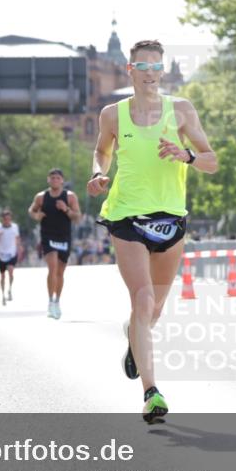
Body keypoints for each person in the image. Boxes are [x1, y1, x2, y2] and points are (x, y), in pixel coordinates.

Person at [87, 39, 218, 423]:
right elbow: (102, 150)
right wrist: (98, 173)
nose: (149, 73)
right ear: (130, 70)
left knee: (154, 309)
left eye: (155, 66)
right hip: (126, 216)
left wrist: (188, 156)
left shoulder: (181, 111)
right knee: (143, 298)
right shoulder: (112, 114)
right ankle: (151, 393)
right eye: (141, 66)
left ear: (162, 71)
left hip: (170, 218)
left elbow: (211, 161)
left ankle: (134, 335)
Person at [29, 169, 81, 319]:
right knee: (52, 268)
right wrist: (36, 215)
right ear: (48, 180)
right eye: (52, 178)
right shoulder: (41, 197)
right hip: (48, 235)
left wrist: (66, 209)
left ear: (62, 181)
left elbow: (77, 217)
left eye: (58, 178)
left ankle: (57, 301)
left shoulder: (69, 197)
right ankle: (50, 302)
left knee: (60, 272)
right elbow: (31, 210)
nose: (55, 180)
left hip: (64, 236)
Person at [0, 209, 22, 305]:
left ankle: (10, 289)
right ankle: (3, 294)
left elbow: (17, 238)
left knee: (11, 272)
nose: (7, 220)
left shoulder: (15, 227)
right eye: (5, 219)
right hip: (1, 254)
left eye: (9, 219)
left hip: (11, 253)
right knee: (2, 276)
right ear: (3, 219)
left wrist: (19, 249)